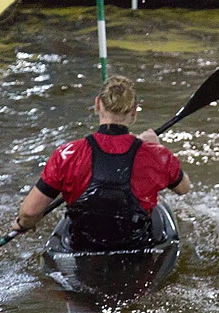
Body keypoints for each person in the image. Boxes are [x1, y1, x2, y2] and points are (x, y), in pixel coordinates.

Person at [13, 75, 190, 251]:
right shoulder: (155, 154)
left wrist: (23, 224)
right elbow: (183, 188)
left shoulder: (68, 154)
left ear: (98, 104)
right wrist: (155, 147)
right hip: (135, 245)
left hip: (82, 246)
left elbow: (29, 212)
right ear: (134, 110)